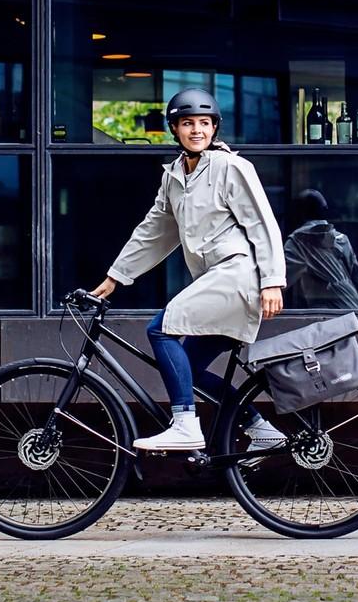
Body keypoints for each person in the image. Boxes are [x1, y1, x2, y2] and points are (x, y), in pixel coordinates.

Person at [89, 88, 287, 452]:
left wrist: (273, 282)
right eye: (188, 123)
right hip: (216, 283)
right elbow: (155, 231)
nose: (197, 130)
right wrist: (115, 277)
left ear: (214, 128)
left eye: (204, 123)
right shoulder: (175, 176)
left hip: (237, 275)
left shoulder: (231, 167)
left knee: (160, 329)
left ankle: (184, 422)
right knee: (189, 371)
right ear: (174, 129)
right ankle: (260, 428)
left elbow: (263, 224)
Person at [284, 189, 358, 310]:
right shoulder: (341, 238)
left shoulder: (298, 242)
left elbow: (280, 281)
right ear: (325, 211)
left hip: (326, 314)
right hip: (353, 305)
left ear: (298, 213)